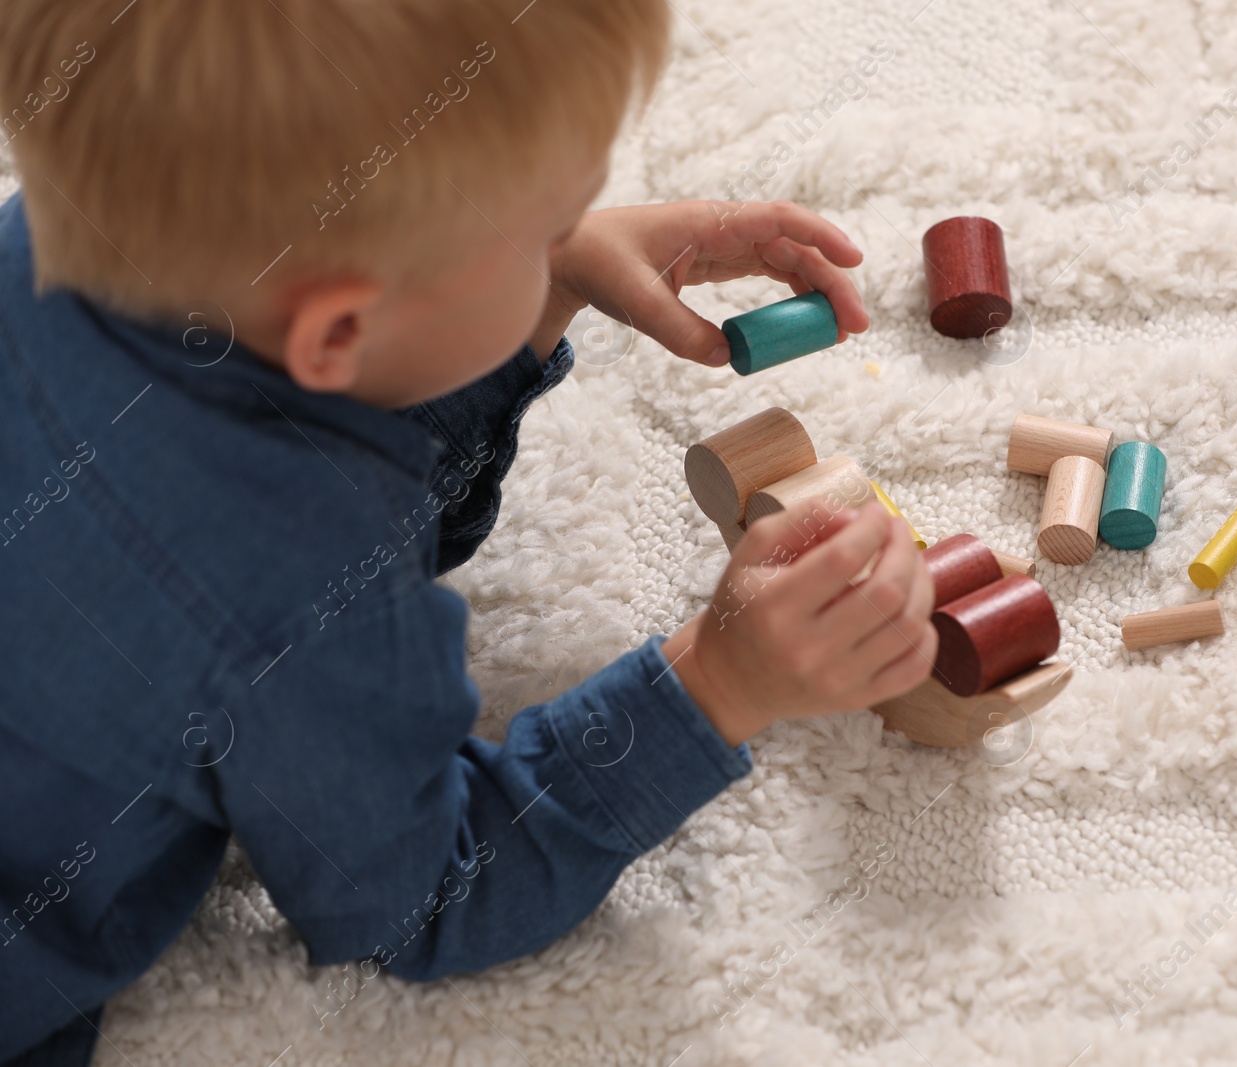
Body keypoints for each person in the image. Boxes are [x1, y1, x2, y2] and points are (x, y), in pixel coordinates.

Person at [0, 1, 935, 1061]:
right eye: (547, 230)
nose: (573, 232)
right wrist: (715, 679)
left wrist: (547, 279)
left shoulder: (62, 223)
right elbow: (424, 898)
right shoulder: (306, 601)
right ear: (342, 327)